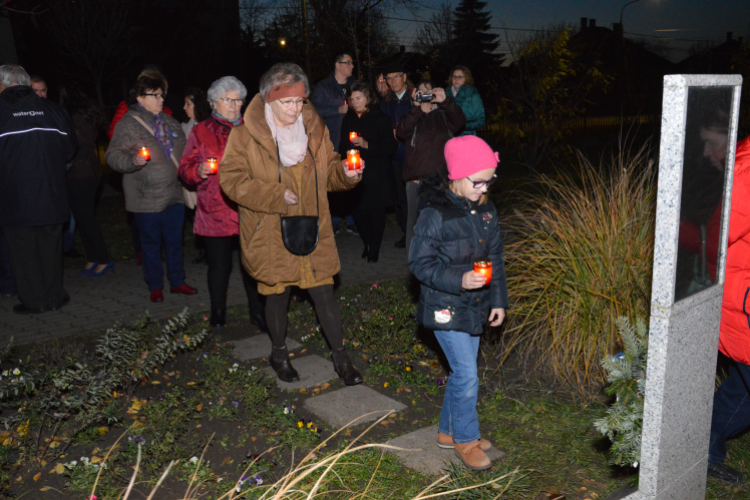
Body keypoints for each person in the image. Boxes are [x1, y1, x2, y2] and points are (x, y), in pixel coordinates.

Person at [220, 62, 364, 386]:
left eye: (300, 101)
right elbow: (231, 180)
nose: (294, 109)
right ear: (269, 99)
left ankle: (341, 359)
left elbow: (330, 171)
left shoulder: (315, 128)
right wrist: (273, 194)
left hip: (313, 225)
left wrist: (348, 174)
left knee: (324, 291)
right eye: (287, 102)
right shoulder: (245, 136)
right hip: (270, 229)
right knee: (278, 294)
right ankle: (279, 352)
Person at [408, 135, 507, 471]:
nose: (484, 188)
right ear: (458, 177)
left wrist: (498, 300)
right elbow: (419, 264)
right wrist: (459, 279)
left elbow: (495, 256)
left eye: (489, 180)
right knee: (466, 374)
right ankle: (466, 441)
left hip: (475, 305)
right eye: (478, 181)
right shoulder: (436, 214)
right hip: (443, 306)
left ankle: (448, 432)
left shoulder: (486, 210)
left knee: (460, 373)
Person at [178, 76, 268, 332]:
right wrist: (200, 170)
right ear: (214, 102)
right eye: (228, 99)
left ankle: (258, 311)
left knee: (252, 263)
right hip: (216, 208)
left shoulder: (253, 128)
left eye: (238, 99)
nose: (234, 104)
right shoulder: (201, 130)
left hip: (249, 206)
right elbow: (184, 169)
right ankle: (218, 312)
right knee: (220, 265)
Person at [105, 73, 196, 303]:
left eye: (162, 95)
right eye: (154, 95)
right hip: (145, 196)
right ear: (139, 97)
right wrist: (132, 161)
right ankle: (155, 286)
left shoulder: (170, 121)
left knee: (175, 241)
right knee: (151, 244)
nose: (160, 99)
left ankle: (177, 281)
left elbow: (186, 153)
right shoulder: (128, 124)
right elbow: (113, 156)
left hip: (174, 193)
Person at [0, 64, 77, 314]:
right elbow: (70, 149)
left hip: (15, 199)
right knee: (50, 249)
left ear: (2, 84)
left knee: (23, 252)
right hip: (51, 195)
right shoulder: (53, 110)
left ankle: (34, 301)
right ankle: (54, 297)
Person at [705, 137, 750, 486]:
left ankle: (701, 445)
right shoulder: (747, 168)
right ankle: (699, 446)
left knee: (742, 388)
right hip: (743, 300)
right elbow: (716, 232)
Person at [396, 80, 465, 251]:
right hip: (415, 180)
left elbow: (460, 120)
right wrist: (416, 107)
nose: (425, 94)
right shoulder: (411, 116)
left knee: (441, 221)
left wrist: (445, 101)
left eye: (429, 90)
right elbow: (401, 131)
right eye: (421, 91)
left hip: (440, 179)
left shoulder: (443, 116)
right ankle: (415, 263)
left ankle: (439, 258)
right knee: (414, 223)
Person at [339, 81, 397, 263]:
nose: (355, 102)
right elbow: (342, 145)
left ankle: (375, 249)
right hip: (356, 174)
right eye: (352, 99)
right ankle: (367, 242)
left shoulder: (381, 118)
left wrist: (366, 144)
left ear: (368, 98)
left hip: (377, 173)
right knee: (358, 212)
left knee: (376, 213)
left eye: (358, 98)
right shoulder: (348, 119)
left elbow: (390, 147)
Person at [60, 87, 113, 277]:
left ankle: (104, 258)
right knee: (83, 218)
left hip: (80, 173)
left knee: (86, 219)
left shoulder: (73, 118)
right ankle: (93, 257)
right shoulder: (87, 116)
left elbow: (74, 145)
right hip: (90, 171)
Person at [310, 52, 357, 235]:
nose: (352, 66)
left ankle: (352, 220)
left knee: (352, 179)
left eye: (352, 63)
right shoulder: (323, 87)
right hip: (332, 142)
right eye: (348, 63)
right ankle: (335, 220)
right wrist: (336, 110)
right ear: (338, 65)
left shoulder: (355, 85)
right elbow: (313, 110)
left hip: (352, 142)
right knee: (333, 180)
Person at [380, 62, 414, 248]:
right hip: (395, 156)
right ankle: (406, 231)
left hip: (413, 156)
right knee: (400, 197)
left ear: (404, 77)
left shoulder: (414, 98)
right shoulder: (387, 102)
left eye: (396, 77)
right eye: (389, 78)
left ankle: (416, 233)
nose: (393, 81)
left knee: (414, 196)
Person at [182, 86, 212, 265]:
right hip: (190, 180)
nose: (184, 108)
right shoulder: (184, 128)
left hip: (206, 179)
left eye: (188, 104)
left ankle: (210, 250)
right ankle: (203, 249)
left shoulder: (208, 127)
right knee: (194, 215)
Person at [449, 66, 485, 136]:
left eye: (460, 77)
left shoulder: (472, 95)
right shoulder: (445, 95)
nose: (456, 79)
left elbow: (481, 120)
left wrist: (463, 126)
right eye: (454, 77)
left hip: (467, 138)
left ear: (466, 79)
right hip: (448, 139)